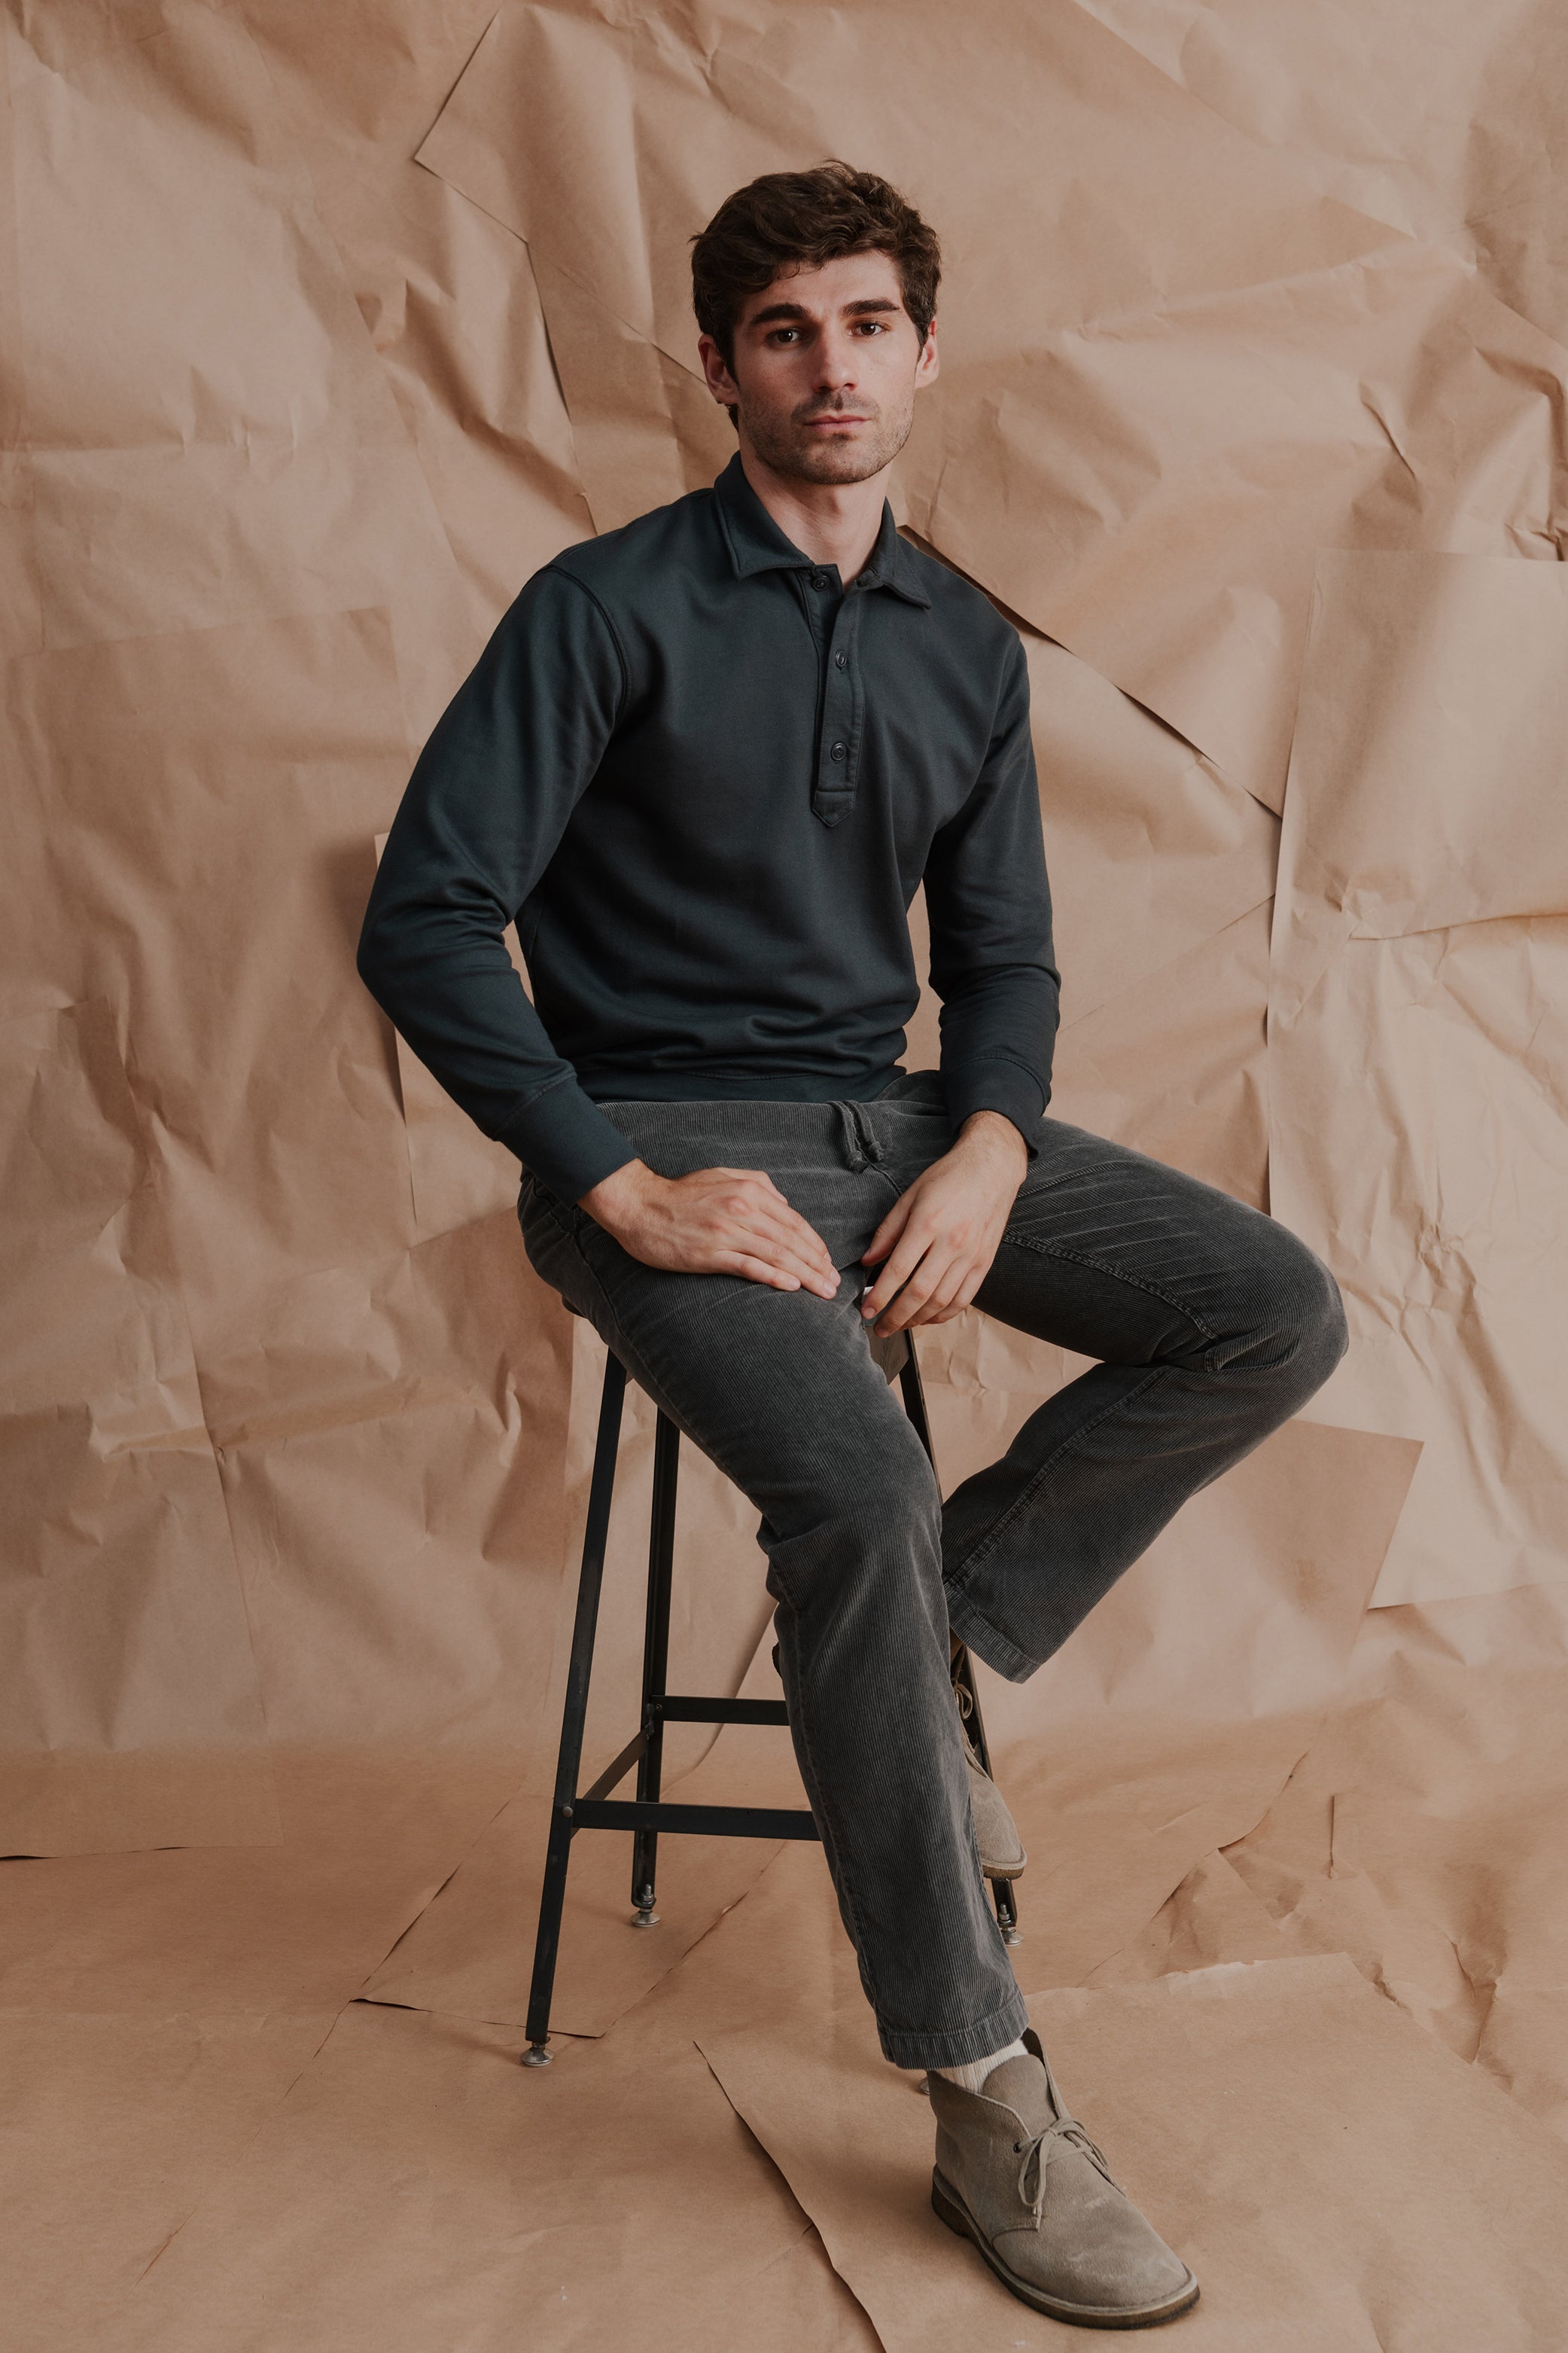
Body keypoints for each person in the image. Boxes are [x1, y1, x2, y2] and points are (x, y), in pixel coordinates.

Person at [358, 160, 1346, 2329]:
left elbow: (1003, 961)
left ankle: (933, 1651)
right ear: (722, 370)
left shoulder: (963, 642)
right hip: (666, 1149)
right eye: (786, 331)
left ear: (925, 349)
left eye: (869, 323)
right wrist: (614, 1181)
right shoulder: (602, 609)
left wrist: (985, 1144)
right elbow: (424, 915)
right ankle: (984, 2085)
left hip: (890, 1124)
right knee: (860, 1492)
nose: (833, 366)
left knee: (1268, 1312)